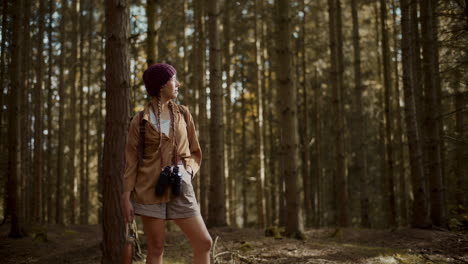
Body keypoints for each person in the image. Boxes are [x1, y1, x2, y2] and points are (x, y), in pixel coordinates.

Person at [121, 63, 213, 264]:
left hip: (181, 186)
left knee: (204, 243)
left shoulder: (183, 114)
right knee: (156, 248)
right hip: (149, 190)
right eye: (173, 79)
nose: (178, 84)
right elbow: (131, 160)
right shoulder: (139, 121)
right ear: (162, 85)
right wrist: (126, 196)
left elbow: (195, 152)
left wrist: (188, 171)